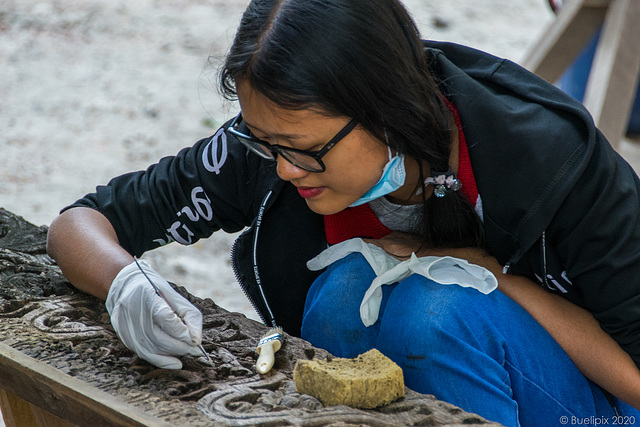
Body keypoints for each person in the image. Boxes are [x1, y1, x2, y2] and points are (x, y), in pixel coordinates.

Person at [46, 0, 640, 425]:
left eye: (305, 153)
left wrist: (482, 270)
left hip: (595, 409)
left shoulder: (550, 159)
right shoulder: (273, 141)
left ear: (389, 111)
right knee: (346, 289)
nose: (283, 170)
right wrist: (124, 284)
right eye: (265, 144)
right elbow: (82, 223)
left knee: (431, 311)